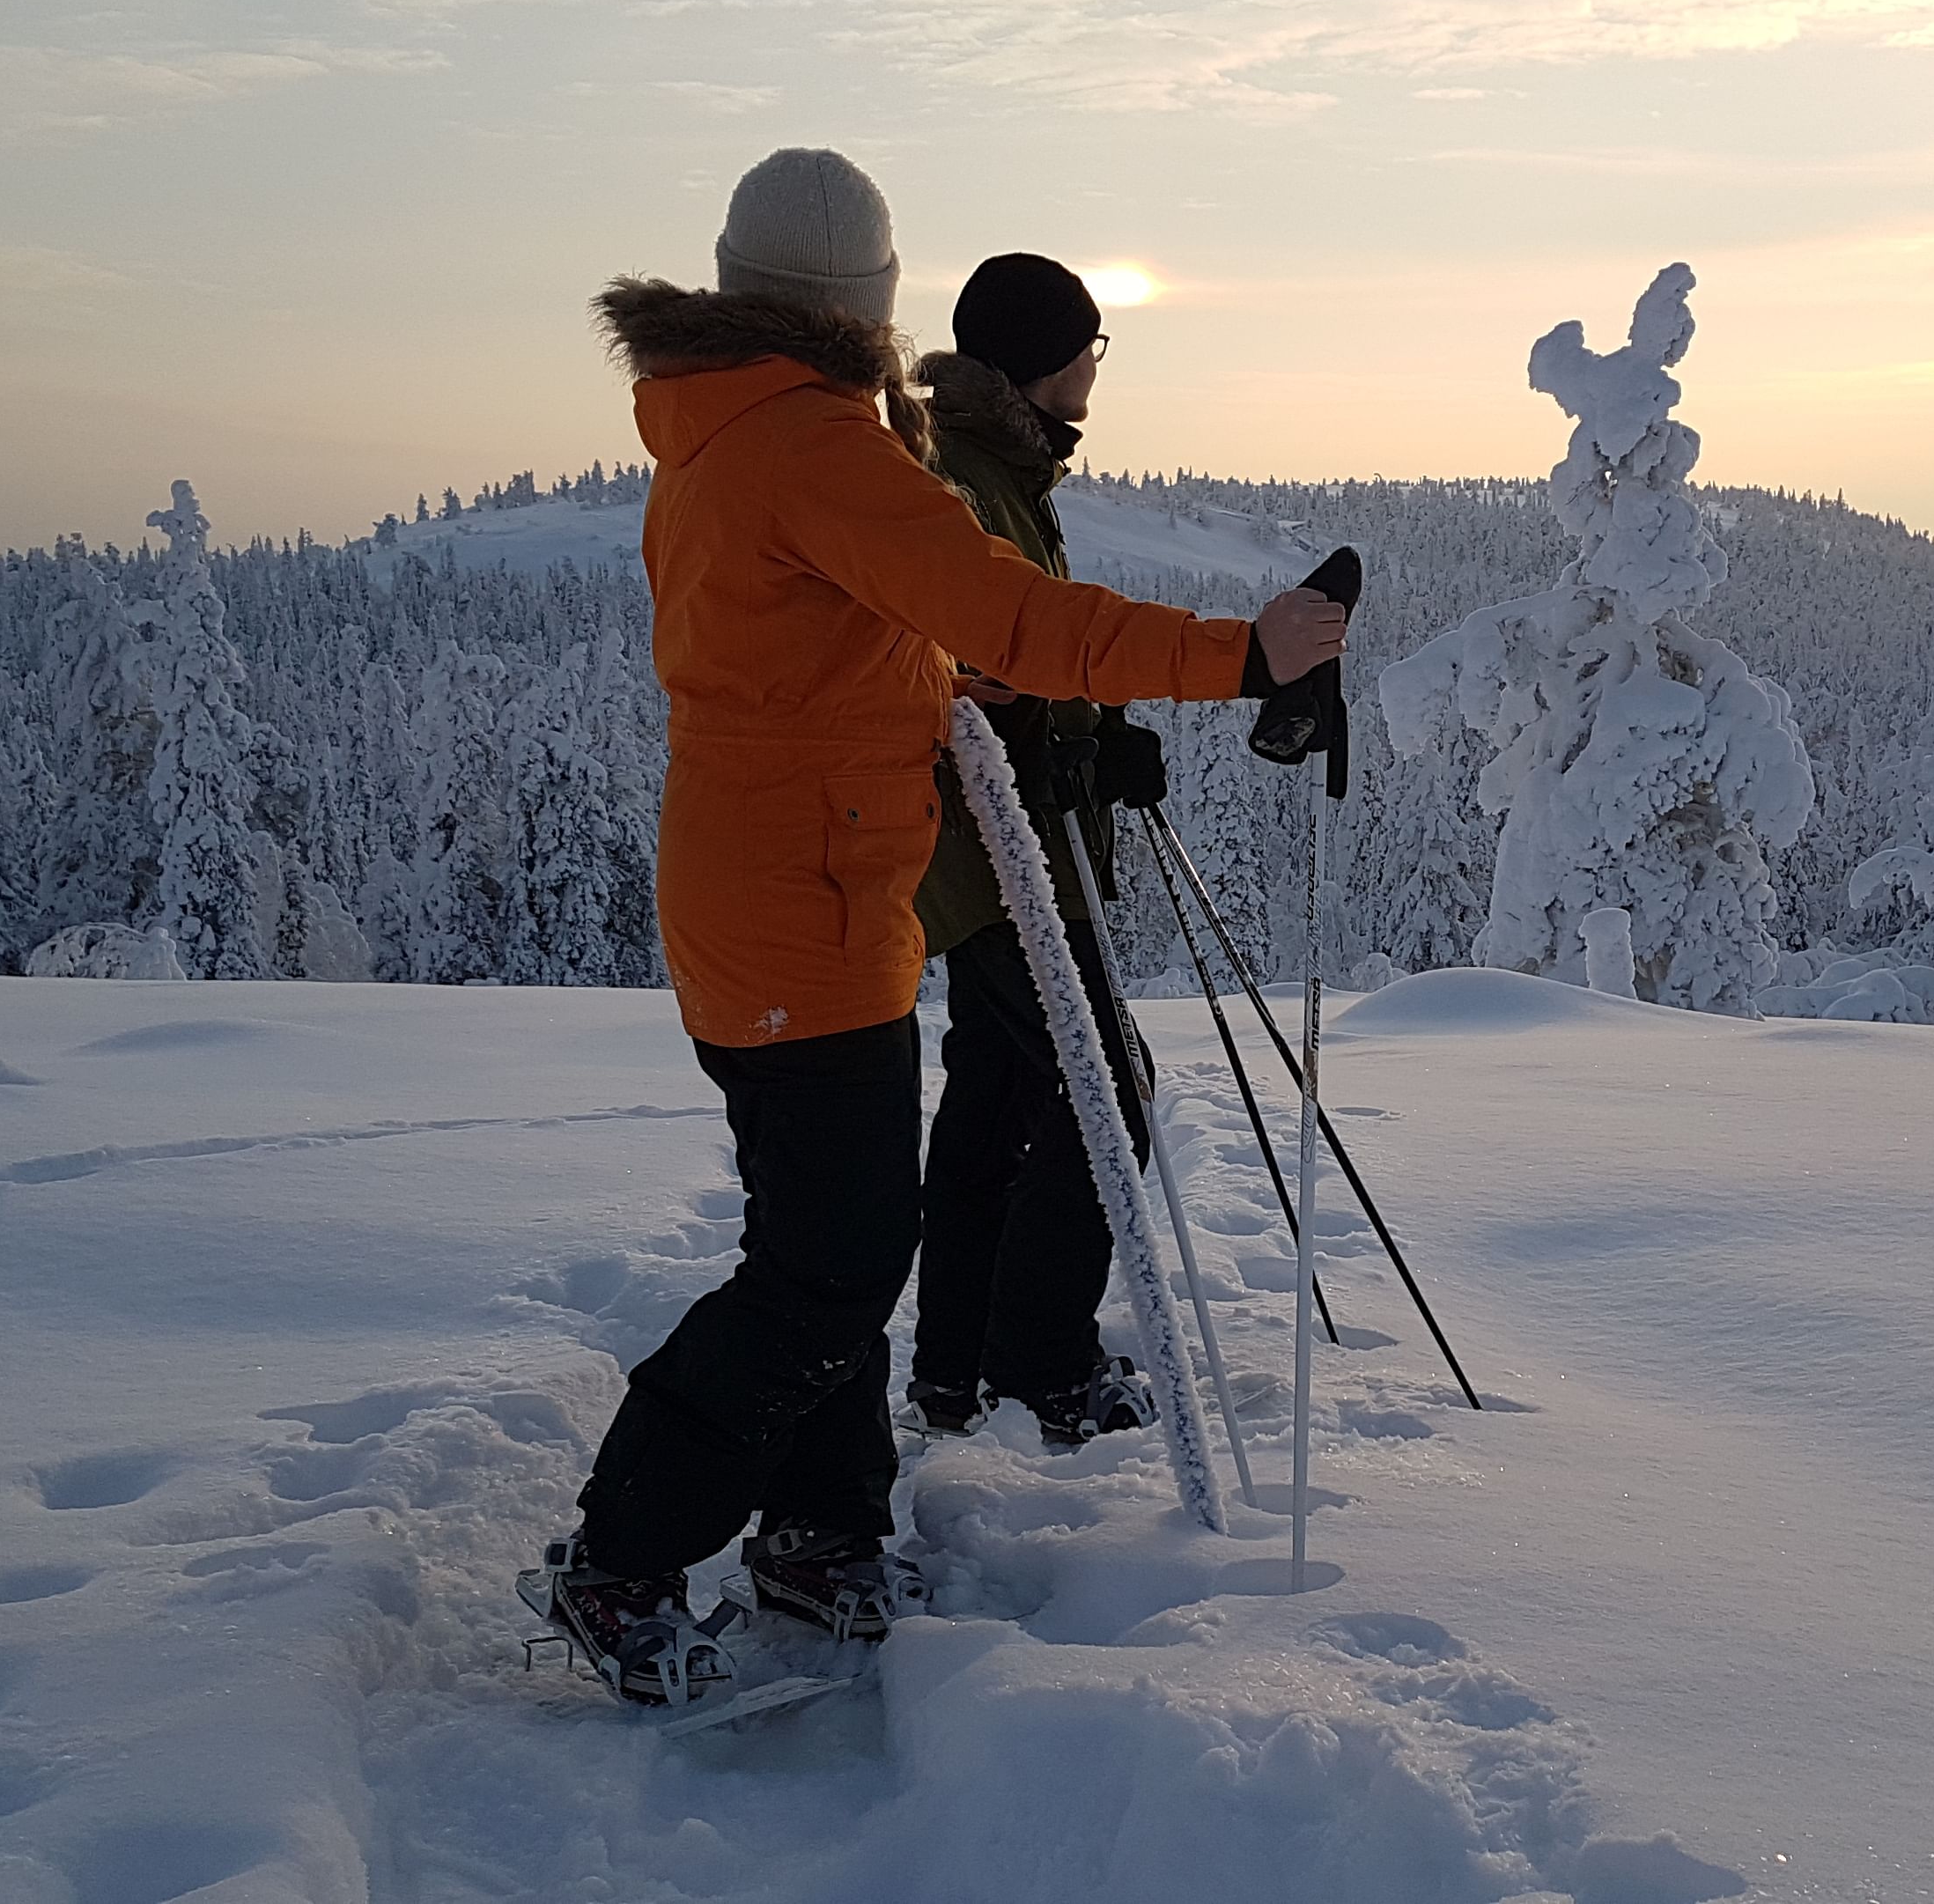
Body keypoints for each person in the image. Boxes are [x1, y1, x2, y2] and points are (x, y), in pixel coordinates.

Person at [534, 149, 1345, 1708]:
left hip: (779, 893)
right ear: (868, 302)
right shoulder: (818, 447)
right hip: (802, 912)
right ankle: (623, 1557)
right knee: (831, 1264)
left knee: (835, 1234)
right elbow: (1011, 613)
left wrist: (932, 692)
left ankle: (820, 1533)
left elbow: (815, 652)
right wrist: (1247, 653)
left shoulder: (720, 429)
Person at [903, 254, 1166, 1450]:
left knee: (1001, 1098)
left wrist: (1095, 733)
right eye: (1086, 344)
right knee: (1107, 1087)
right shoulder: (962, 480)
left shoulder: (995, 469)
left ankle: (959, 1367)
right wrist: (1070, 730)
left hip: (1002, 848)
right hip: (993, 854)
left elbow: (1021, 662)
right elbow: (981, 661)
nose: (1094, 365)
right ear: (1031, 359)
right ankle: (1037, 1366)